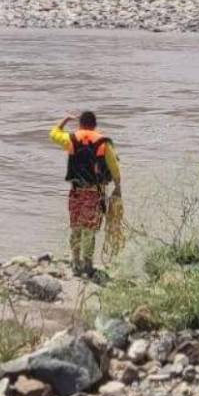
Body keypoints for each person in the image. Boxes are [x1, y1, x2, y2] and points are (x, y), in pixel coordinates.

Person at [50, 111, 122, 278]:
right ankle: (88, 264)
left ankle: (75, 261)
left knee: (76, 227)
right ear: (95, 125)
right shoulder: (103, 142)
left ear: (80, 124)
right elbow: (114, 167)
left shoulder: (72, 138)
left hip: (75, 192)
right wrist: (118, 186)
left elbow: (53, 134)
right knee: (89, 228)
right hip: (94, 193)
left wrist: (64, 120)